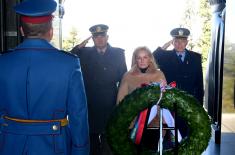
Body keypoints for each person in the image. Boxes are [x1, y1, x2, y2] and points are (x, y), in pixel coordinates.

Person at [0, 0, 89, 154]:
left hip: (9, 145)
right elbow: (78, 114)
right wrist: (80, 150)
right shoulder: (69, 63)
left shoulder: (3, 61)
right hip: (54, 146)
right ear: (51, 31)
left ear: (22, 30)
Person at [71, 24, 127, 155]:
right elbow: (67, 59)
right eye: (96, 37)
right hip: (91, 103)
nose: (100, 39)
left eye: (102, 36)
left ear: (107, 37)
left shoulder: (118, 53)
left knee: (109, 141)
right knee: (92, 143)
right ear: (93, 39)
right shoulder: (83, 53)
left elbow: (124, 79)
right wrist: (78, 48)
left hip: (110, 103)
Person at [116, 46, 181, 152]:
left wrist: (164, 122)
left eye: (145, 57)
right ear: (135, 59)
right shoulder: (128, 76)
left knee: (152, 150)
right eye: (139, 58)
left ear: (150, 58)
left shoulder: (159, 74)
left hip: (155, 122)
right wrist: (121, 121)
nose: (142, 60)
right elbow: (121, 100)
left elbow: (166, 99)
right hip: (134, 124)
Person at [153, 27, 204, 105]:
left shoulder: (195, 57)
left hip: (190, 103)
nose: (179, 44)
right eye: (176, 41)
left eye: (183, 41)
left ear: (186, 42)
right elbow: (152, 59)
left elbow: (199, 83)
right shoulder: (165, 57)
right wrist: (165, 45)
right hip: (170, 103)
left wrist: (199, 104)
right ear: (172, 42)